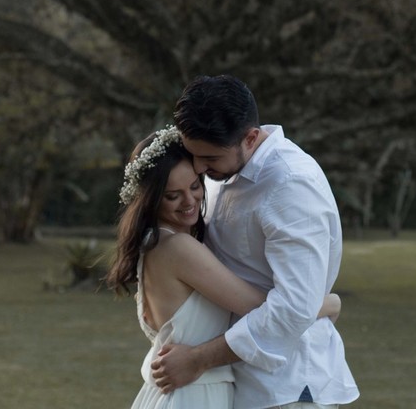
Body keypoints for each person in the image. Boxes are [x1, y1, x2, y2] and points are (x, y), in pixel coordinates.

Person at [150, 75, 359, 409]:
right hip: (231, 384)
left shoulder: (291, 184)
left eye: (210, 159)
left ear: (250, 138)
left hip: (286, 389)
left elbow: (294, 309)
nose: (199, 168)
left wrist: (199, 359)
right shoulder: (223, 171)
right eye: (194, 155)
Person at [106, 126, 341, 409]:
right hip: (193, 394)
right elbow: (257, 306)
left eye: (195, 186)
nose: (189, 201)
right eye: (172, 196)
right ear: (151, 199)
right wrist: (327, 304)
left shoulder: (154, 243)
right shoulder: (178, 247)